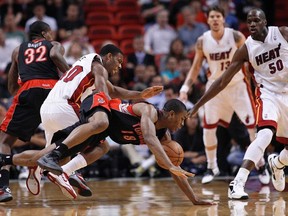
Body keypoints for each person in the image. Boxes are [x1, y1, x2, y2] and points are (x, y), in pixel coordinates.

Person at [0, 95, 213, 205]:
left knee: (44, 157)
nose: (183, 124)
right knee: (50, 155)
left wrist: (194, 198)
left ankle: (6, 160)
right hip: (98, 114)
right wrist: (168, 163)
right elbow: (148, 137)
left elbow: (174, 169)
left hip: (101, 133)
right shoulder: (149, 111)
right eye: (183, 119)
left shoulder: (164, 136)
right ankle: (56, 166)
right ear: (172, 114)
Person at [27, 44, 163, 197]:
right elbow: (103, 90)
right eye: (118, 61)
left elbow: (114, 90)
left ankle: (35, 167)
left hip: (46, 109)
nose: (119, 66)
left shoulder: (85, 63)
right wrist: (105, 107)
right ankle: (65, 173)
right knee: (100, 144)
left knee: (52, 150)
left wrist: (140, 95)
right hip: (66, 107)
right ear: (109, 56)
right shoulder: (99, 67)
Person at [187, 8, 288, 199]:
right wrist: (198, 105)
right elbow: (222, 81)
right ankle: (237, 183)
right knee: (265, 134)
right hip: (268, 95)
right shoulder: (247, 48)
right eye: (249, 21)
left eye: (256, 21)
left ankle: (277, 164)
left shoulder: (282, 33)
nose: (251, 24)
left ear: (265, 22)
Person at [179, 6, 269, 185]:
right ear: (207, 19)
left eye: (218, 16)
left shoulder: (235, 36)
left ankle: (261, 164)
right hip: (215, 88)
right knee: (208, 127)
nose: (214, 19)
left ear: (223, 18)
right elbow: (196, 67)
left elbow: (251, 59)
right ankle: (211, 166)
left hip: (237, 86)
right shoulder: (202, 41)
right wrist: (184, 88)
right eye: (211, 16)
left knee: (252, 127)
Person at [0, 20, 70, 202]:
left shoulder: (18, 50)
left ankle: (3, 188)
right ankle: (68, 171)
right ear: (46, 34)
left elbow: (11, 84)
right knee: (71, 135)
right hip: (53, 91)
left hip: (29, 89)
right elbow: (54, 54)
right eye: (51, 33)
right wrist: (71, 75)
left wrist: (22, 94)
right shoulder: (53, 44)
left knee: (5, 141)